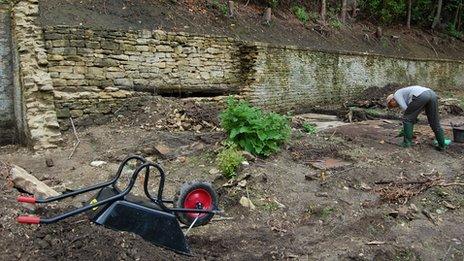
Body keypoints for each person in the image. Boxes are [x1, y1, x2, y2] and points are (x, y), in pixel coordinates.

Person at [386, 85, 450, 150]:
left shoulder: (397, 94)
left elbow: (406, 109)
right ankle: (442, 145)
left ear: (392, 100)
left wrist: (411, 119)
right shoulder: (405, 95)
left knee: (407, 119)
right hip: (432, 94)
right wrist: (413, 117)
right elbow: (415, 109)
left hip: (420, 95)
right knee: (435, 122)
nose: (393, 107)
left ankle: (407, 143)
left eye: (391, 105)